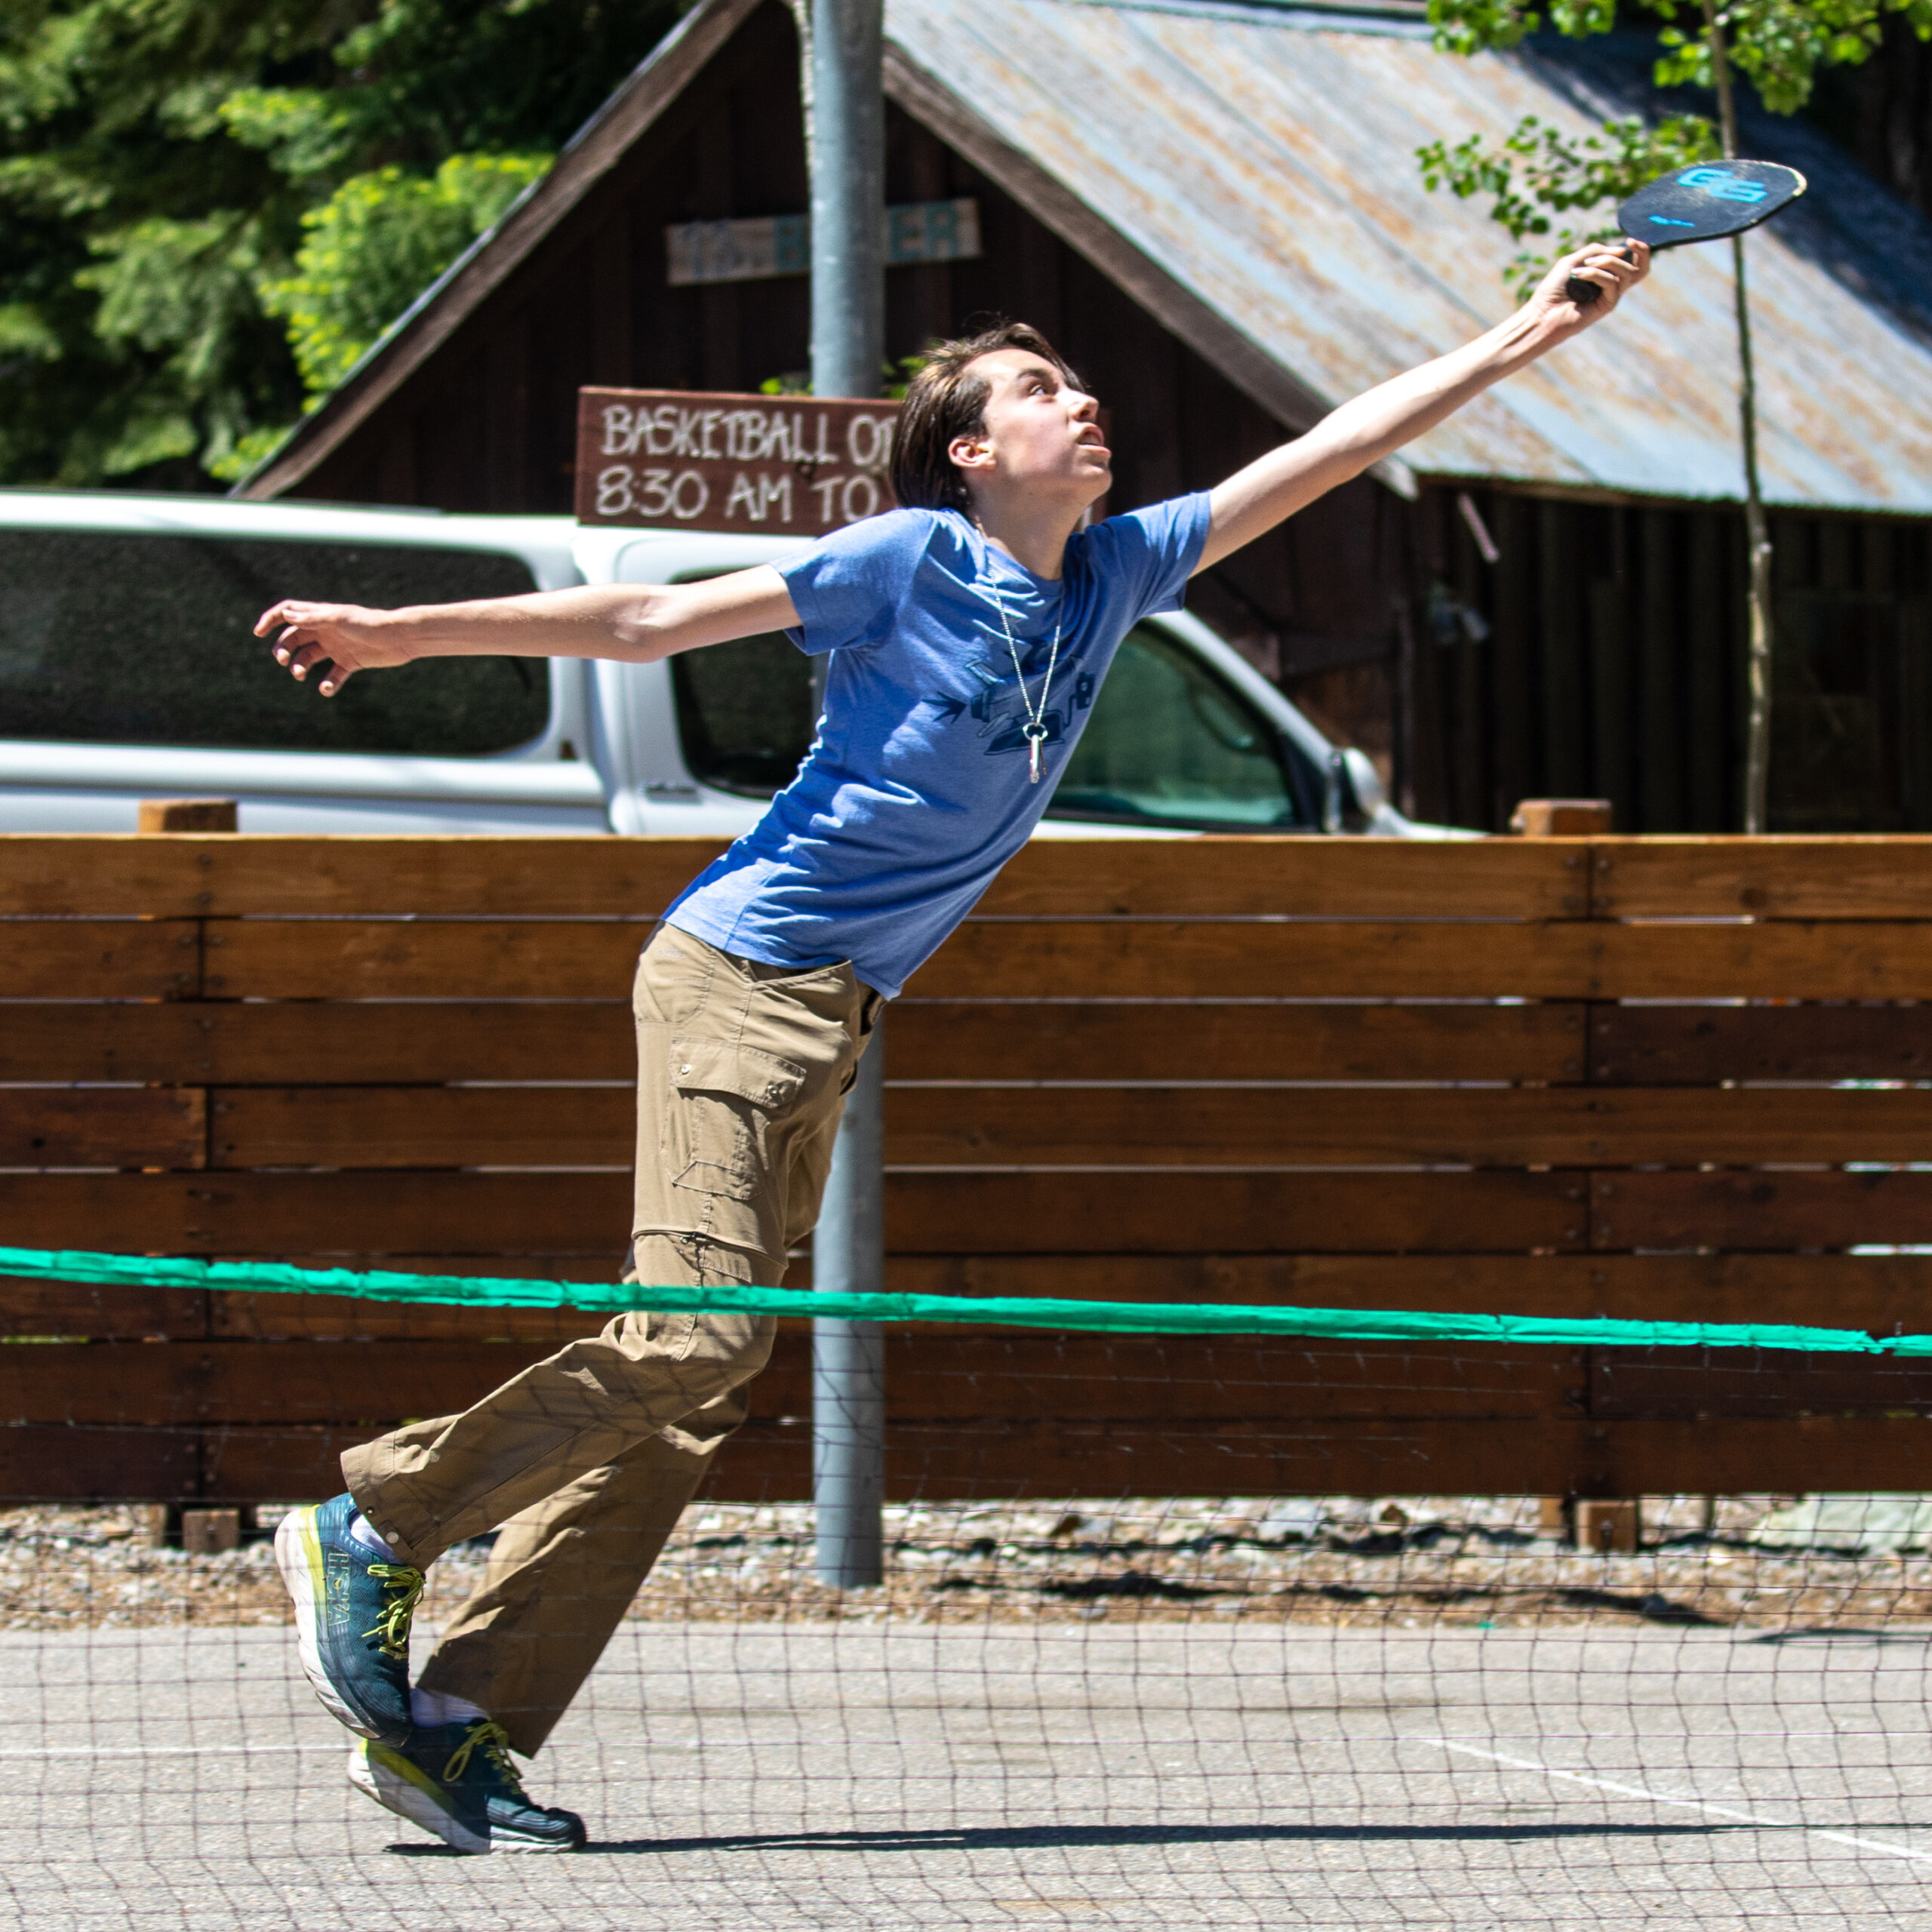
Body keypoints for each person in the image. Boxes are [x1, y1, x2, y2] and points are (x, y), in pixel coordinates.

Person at [255, 240, 1649, 1853]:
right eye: (1043, 390)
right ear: (974, 449)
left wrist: (1529, 330)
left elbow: (1334, 448)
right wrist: (401, 631)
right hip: (737, 970)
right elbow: (648, 616)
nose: (1085, 402)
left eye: (1081, 384)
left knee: (692, 1389)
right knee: (696, 1338)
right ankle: (376, 1519)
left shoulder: (1115, 571)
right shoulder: (911, 554)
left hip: (835, 1010)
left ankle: (453, 1722)